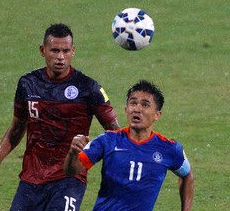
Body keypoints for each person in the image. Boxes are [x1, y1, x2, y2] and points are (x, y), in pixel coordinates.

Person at [0, 23, 120, 211]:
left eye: (65, 51)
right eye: (55, 50)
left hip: (69, 178)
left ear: (73, 51)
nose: (60, 57)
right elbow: (16, 129)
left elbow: (116, 133)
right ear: (43, 50)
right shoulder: (28, 84)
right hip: (31, 178)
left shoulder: (88, 88)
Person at [64, 80, 194, 211]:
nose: (137, 109)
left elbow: (187, 175)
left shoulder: (168, 148)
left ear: (157, 115)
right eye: (133, 103)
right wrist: (73, 153)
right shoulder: (107, 140)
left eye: (145, 105)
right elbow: (71, 171)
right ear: (126, 110)